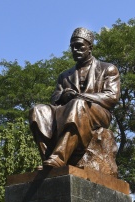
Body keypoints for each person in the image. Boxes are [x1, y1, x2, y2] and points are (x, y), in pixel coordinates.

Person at [29, 27, 121, 169]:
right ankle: (48, 159)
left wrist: (81, 96)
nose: (75, 50)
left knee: (78, 103)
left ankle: (59, 158)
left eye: (79, 46)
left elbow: (112, 96)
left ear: (90, 47)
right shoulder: (65, 75)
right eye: (72, 47)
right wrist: (63, 96)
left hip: (98, 113)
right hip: (68, 109)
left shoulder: (107, 69)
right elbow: (55, 98)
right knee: (38, 111)